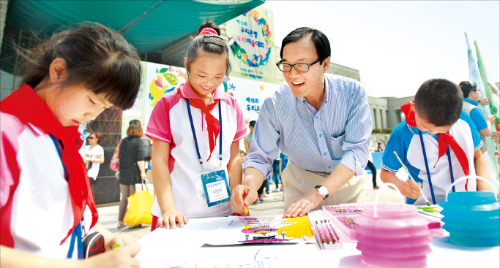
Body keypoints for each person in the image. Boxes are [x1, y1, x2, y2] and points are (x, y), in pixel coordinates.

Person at [0, 22, 141, 267]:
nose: (94, 115)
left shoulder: (64, 142)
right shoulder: (8, 134)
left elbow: (74, 223)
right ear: (59, 71)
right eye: (91, 100)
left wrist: (109, 240)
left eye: (104, 108)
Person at [230, 27, 372, 218]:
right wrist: (250, 186)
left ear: (325, 64)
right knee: (300, 241)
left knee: (352, 239)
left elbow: (357, 151)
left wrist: (318, 193)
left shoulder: (352, 93)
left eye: (301, 65)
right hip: (300, 184)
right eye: (286, 65)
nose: (292, 74)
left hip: (345, 181)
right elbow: (259, 157)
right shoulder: (274, 103)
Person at [146, 21, 247, 230]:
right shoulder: (168, 105)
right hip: (179, 215)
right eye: (201, 75)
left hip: (223, 213)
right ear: (187, 64)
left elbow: (234, 158)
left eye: (218, 76)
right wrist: (167, 209)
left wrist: (237, 196)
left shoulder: (231, 106)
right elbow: (160, 161)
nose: (208, 83)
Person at [380, 78, 495, 205]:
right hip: (425, 209)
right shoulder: (402, 134)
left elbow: (477, 156)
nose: (434, 133)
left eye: (444, 129)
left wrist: (486, 194)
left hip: (466, 205)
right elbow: (386, 173)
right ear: (413, 109)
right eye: (427, 128)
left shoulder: (464, 120)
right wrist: (401, 186)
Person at [117, 119, 148, 229]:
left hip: (123, 173)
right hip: (134, 173)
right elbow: (140, 159)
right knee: (134, 197)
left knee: (124, 198)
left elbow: (119, 156)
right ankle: (134, 221)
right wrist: (143, 173)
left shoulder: (124, 141)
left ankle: (121, 221)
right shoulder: (139, 142)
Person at [459, 81, 495, 153]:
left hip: (462, 149)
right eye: (478, 91)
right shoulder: (474, 110)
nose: (479, 93)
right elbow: (486, 132)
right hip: (476, 152)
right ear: (472, 93)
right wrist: (489, 121)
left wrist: (478, 101)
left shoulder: (456, 107)